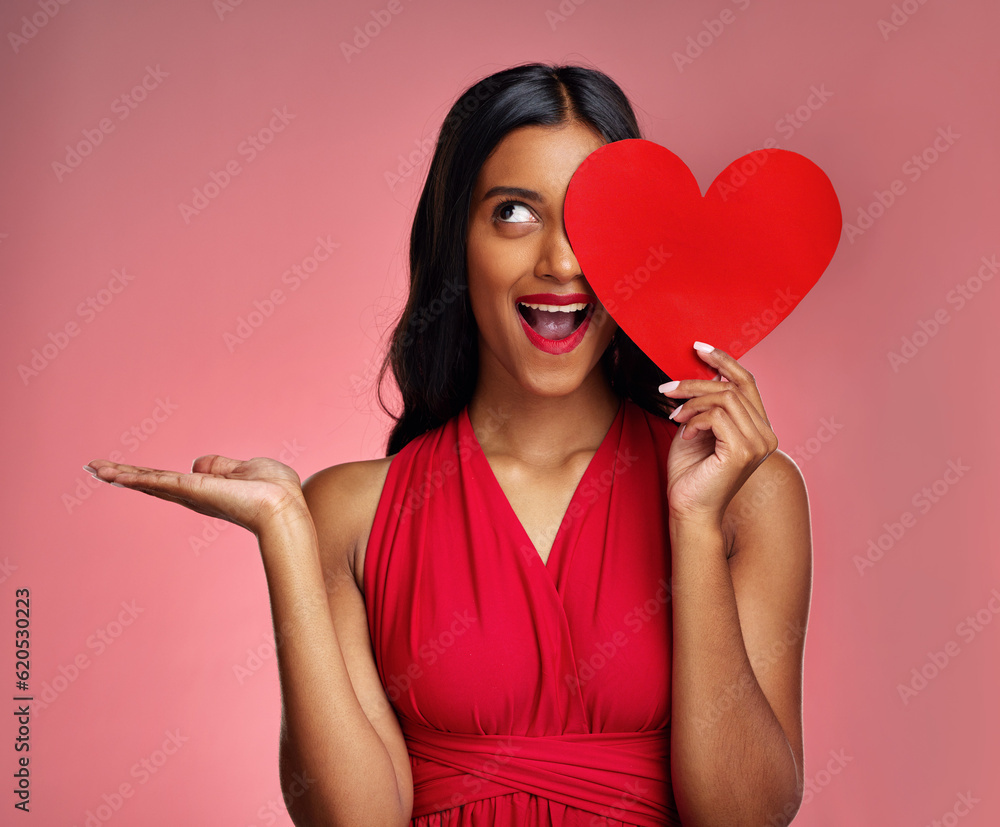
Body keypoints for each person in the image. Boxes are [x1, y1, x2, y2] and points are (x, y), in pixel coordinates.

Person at [85, 63, 812, 826]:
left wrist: (693, 526)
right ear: (456, 242)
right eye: (514, 214)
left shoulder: (749, 495)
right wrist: (286, 532)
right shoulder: (351, 513)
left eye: (595, 220)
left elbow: (747, 815)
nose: (562, 262)